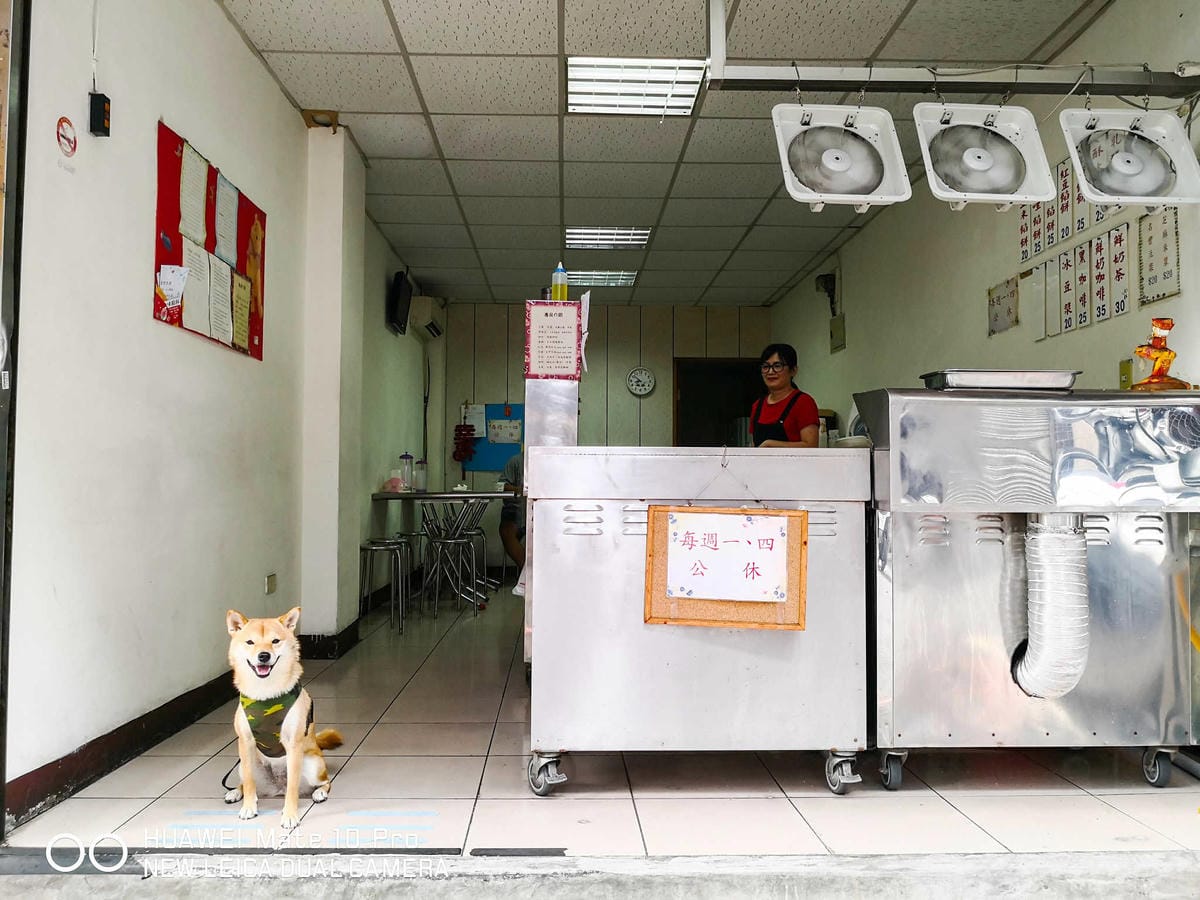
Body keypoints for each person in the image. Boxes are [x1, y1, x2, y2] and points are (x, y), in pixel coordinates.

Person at [750, 343, 820, 448]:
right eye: (765, 367)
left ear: (793, 371)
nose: (770, 371)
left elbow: (811, 446)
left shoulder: (803, 402)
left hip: (795, 464)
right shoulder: (757, 406)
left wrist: (771, 445)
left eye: (777, 366)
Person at [498, 453, 525, 569]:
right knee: (507, 532)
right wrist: (519, 489)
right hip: (516, 507)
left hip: (542, 509)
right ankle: (527, 571)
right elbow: (501, 486)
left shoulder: (550, 462)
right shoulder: (516, 460)